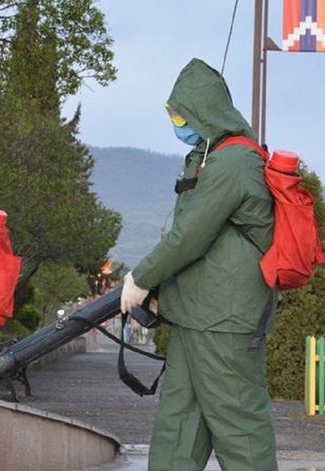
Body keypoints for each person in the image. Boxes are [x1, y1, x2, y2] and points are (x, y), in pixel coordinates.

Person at [120, 58, 278, 471]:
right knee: (178, 432)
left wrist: (141, 278)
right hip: (196, 318)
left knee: (240, 432)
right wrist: (161, 293)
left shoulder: (235, 163)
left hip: (225, 322)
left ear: (202, 113)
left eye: (179, 114)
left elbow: (189, 236)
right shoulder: (209, 157)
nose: (175, 122)